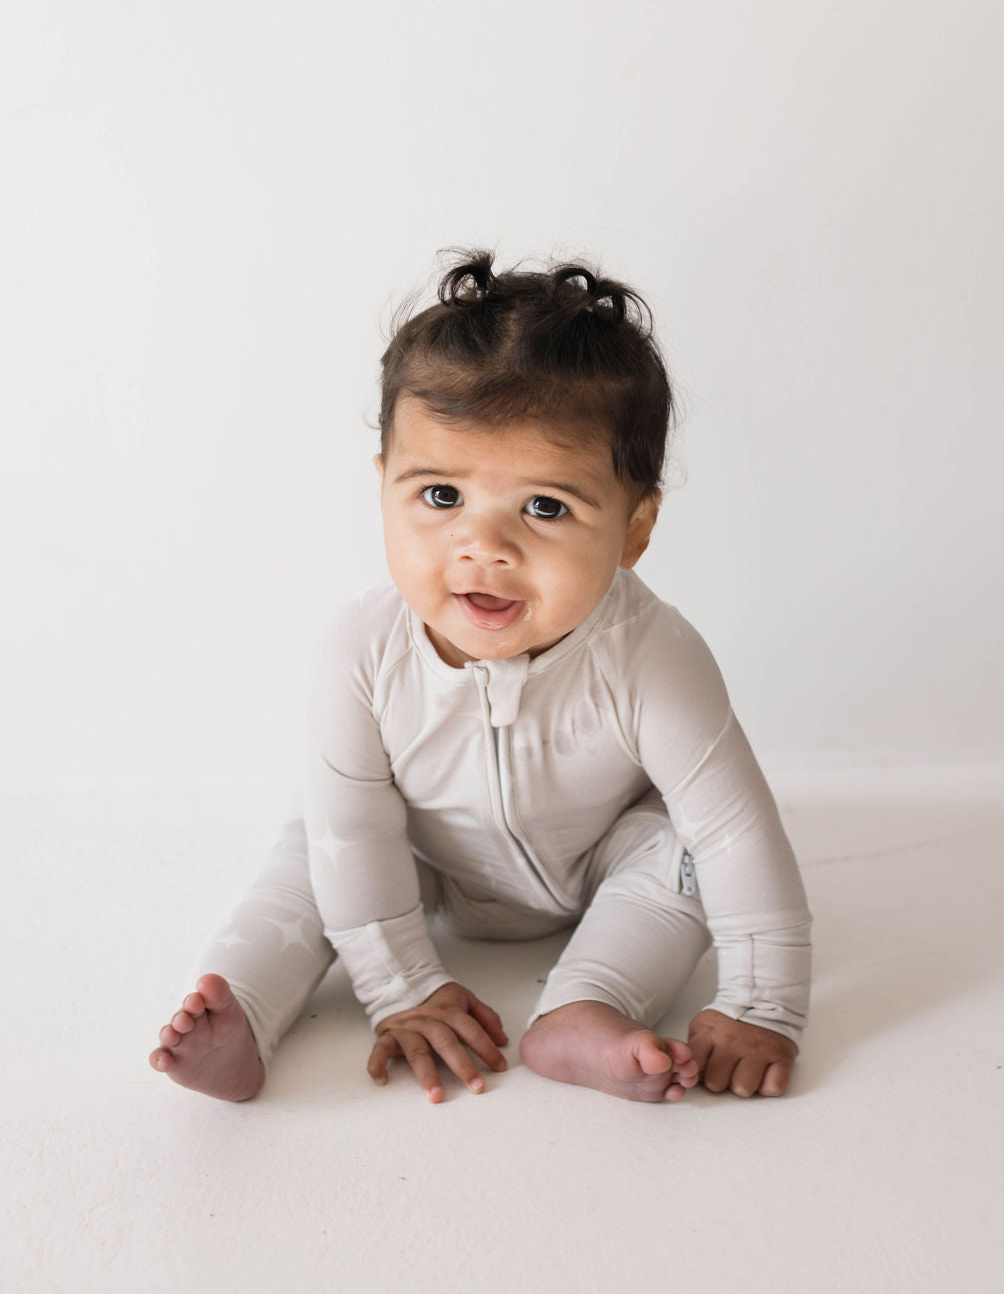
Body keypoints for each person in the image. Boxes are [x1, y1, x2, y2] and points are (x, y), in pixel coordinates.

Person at [149, 249, 812, 1106]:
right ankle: (240, 1008)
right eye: (439, 496)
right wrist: (403, 988)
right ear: (384, 483)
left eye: (545, 507)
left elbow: (736, 831)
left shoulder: (652, 655)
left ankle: (585, 1006)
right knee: (313, 853)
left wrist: (763, 1004)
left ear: (634, 529)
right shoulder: (359, 651)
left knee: (679, 853)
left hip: (596, 855)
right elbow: (355, 834)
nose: (483, 547)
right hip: (415, 853)